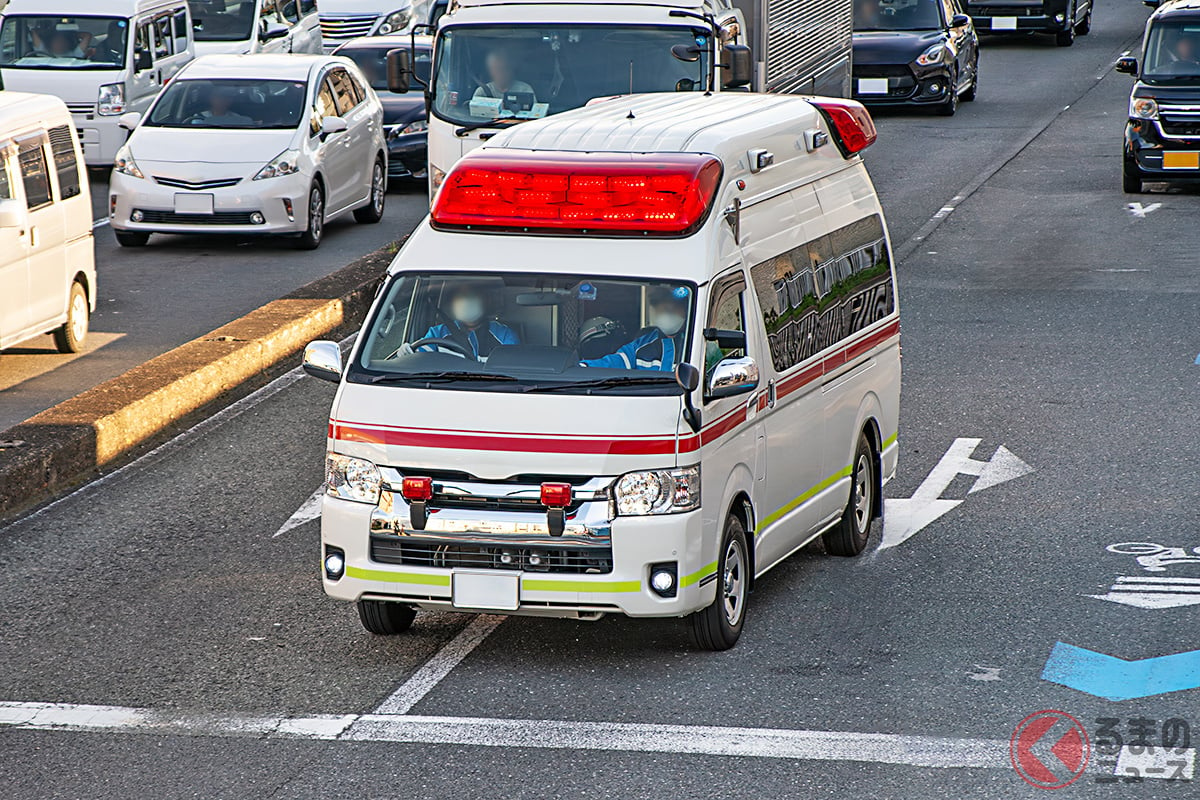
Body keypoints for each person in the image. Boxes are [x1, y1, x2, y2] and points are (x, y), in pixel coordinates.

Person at [582, 286, 690, 371]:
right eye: (662, 308)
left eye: (673, 308)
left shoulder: (696, 341)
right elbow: (614, 362)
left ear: (686, 310)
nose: (667, 314)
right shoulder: (641, 345)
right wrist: (582, 367)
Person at [411, 285, 519, 360]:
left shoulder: (504, 335)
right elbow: (416, 360)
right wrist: (407, 355)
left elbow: (513, 371)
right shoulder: (437, 334)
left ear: (485, 301)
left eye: (473, 296)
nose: (467, 303)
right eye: (461, 297)